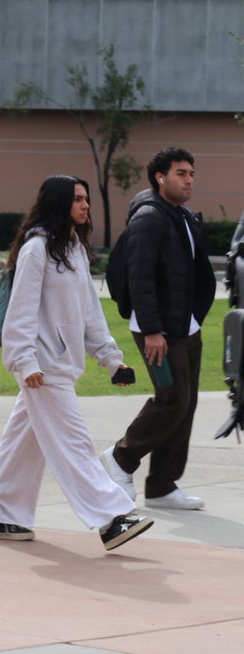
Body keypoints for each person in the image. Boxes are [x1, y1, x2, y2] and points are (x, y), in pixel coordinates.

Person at [0, 175, 153, 551]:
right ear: (58, 203)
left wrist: (111, 359)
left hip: (59, 364)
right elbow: (20, 313)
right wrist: (25, 362)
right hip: (43, 367)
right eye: (77, 199)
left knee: (21, 443)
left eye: (87, 198)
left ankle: (0, 514)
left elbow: (89, 312)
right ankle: (111, 518)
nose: (85, 205)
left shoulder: (72, 247)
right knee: (75, 443)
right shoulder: (36, 248)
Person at [100, 148, 216, 511]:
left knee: (186, 403)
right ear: (160, 177)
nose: (189, 180)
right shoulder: (150, 217)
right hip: (158, 330)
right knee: (172, 399)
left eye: (192, 173)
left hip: (184, 326)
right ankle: (120, 458)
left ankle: (162, 485)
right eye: (181, 173)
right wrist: (152, 329)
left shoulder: (181, 216)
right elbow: (140, 275)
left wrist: (193, 317)